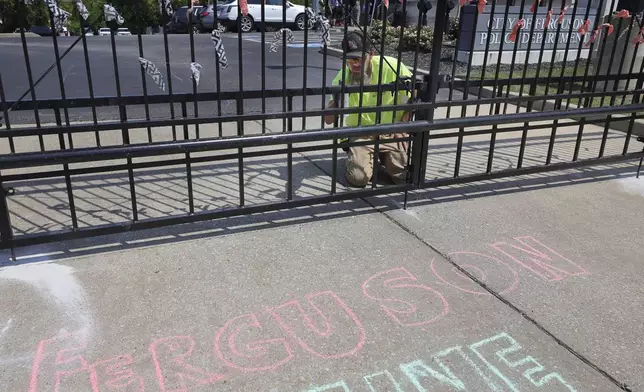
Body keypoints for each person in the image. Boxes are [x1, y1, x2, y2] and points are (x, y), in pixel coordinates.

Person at [324, 31, 415, 187]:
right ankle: (359, 157)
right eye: (350, 60)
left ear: (371, 54)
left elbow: (414, 91)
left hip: (390, 131)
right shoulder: (343, 76)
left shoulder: (391, 66)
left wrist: (403, 124)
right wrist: (338, 99)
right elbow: (328, 120)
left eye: (359, 58)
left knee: (402, 176)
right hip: (361, 133)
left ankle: (380, 156)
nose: (355, 64)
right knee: (358, 179)